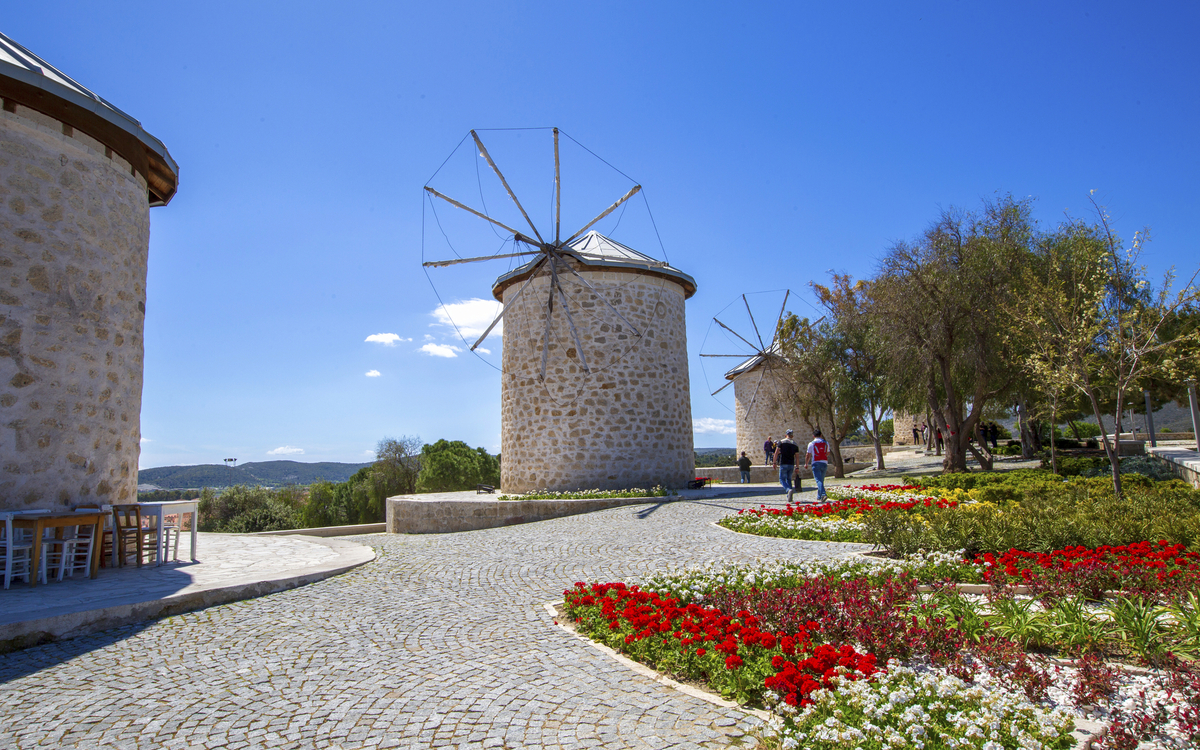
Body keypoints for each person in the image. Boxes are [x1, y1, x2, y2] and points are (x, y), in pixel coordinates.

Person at [773, 429, 801, 502]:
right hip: (791, 464)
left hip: (783, 463)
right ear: (792, 436)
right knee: (789, 479)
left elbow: (776, 453)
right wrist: (797, 467)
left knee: (781, 479)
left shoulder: (781, 442)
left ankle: (788, 490)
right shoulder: (795, 444)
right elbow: (797, 457)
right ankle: (789, 496)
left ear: (786, 435)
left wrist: (774, 462)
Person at [806, 428, 830, 502]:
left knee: (818, 480)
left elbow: (808, 455)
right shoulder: (826, 443)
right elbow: (828, 452)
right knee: (821, 480)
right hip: (824, 462)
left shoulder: (811, 444)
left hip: (816, 462)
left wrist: (806, 463)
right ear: (821, 435)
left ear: (813, 436)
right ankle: (819, 496)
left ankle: (823, 494)